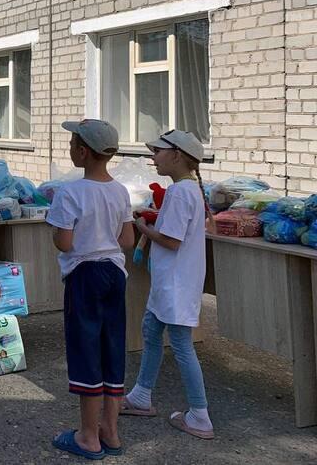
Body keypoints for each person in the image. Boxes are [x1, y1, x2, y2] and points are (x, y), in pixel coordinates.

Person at [47, 119, 135, 460]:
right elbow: (127, 240)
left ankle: (87, 436)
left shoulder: (69, 192)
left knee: (85, 350)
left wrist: (57, 233)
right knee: (111, 348)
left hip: (84, 275)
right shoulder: (120, 190)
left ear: (83, 152)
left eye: (71, 144)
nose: (69, 149)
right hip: (115, 273)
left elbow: (66, 244)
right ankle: (110, 431)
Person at [121, 129, 215, 440]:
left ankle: (200, 415)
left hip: (175, 284)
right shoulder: (187, 191)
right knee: (150, 332)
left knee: (182, 347)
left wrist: (142, 227)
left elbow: (172, 241)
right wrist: (155, 218)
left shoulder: (179, 192)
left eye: (158, 152)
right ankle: (140, 396)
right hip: (171, 282)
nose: (153, 157)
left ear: (177, 156)